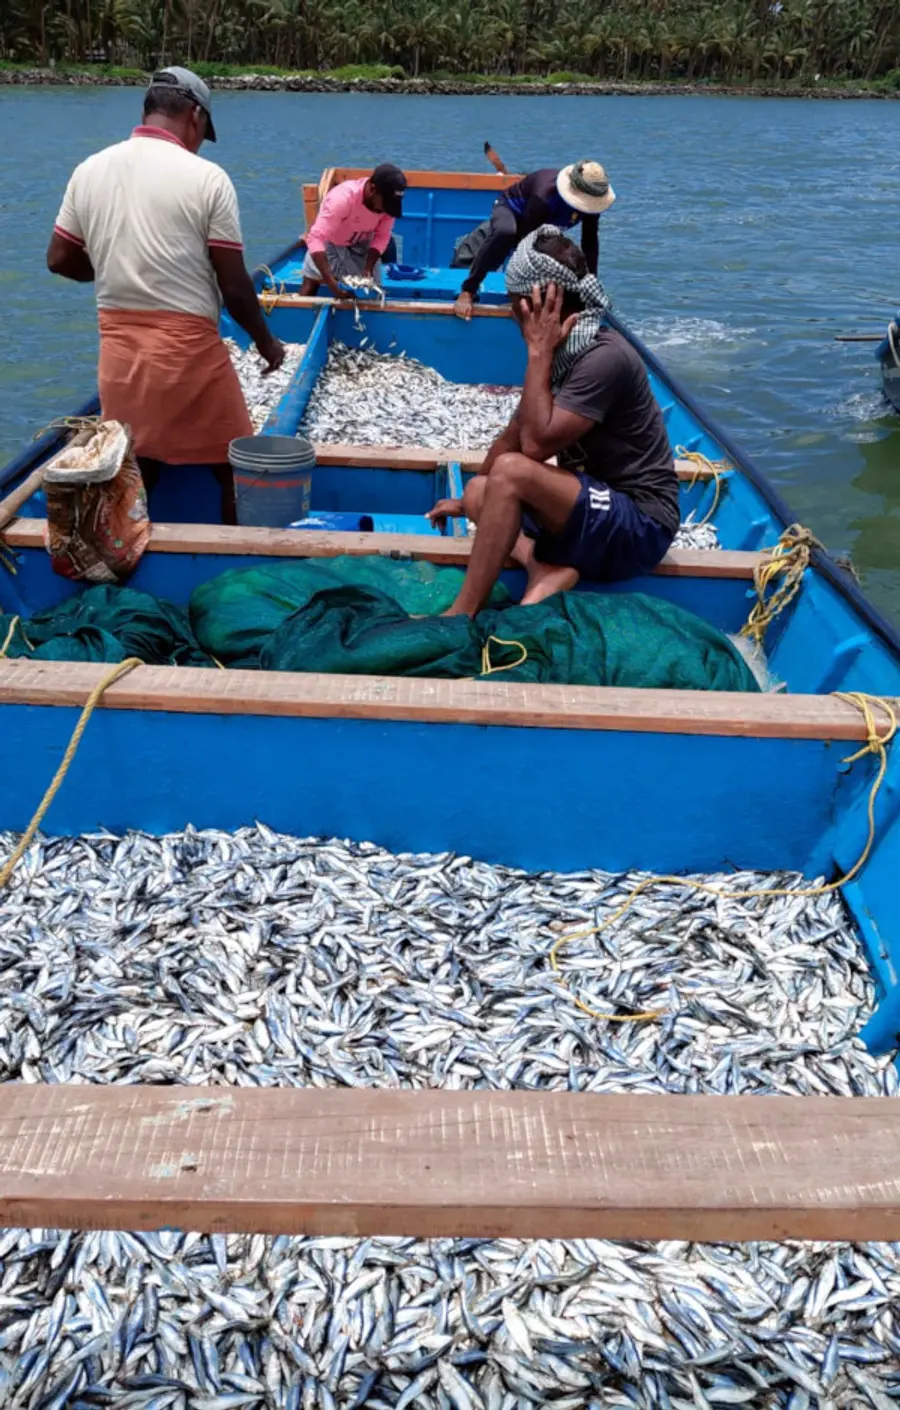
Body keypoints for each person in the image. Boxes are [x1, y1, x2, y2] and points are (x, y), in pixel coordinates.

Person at [47, 66, 284, 525]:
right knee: (236, 465)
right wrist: (267, 344)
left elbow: (59, 259)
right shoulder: (208, 179)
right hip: (188, 355)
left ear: (148, 109)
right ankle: (233, 562)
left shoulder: (89, 169)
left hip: (118, 358)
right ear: (194, 116)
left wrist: (114, 269)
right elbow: (234, 287)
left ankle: (129, 553)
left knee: (137, 464)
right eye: (202, 131)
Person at [428, 226, 679, 617]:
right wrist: (466, 502)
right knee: (483, 488)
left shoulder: (602, 358)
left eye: (516, 303)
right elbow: (514, 436)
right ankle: (543, 567)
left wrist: (537, 354)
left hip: (640, 525)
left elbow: (534, 447)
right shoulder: (565, 351)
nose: (512, 313)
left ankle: (462, 615)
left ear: (542, 303)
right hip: (592, 509)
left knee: (511, 473)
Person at [453, 161, 615, 321]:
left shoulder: (591, 205)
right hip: (512, 210)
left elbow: (590, 242)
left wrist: (591, 282)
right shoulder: (544, 196)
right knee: (505, 233)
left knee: (568, 257)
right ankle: (468, 290)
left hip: (548, 223)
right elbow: (524, 244)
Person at [300, 166, 408, 298]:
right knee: (311, 278)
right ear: (372, 189)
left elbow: (382, 236)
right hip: (332, 243)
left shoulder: (388, 208)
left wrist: (368, 267)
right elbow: (316, 238)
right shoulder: (342, 199)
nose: (386, 210)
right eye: (385, 204)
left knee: (371, 290)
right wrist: (330, 283)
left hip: (362, 244)